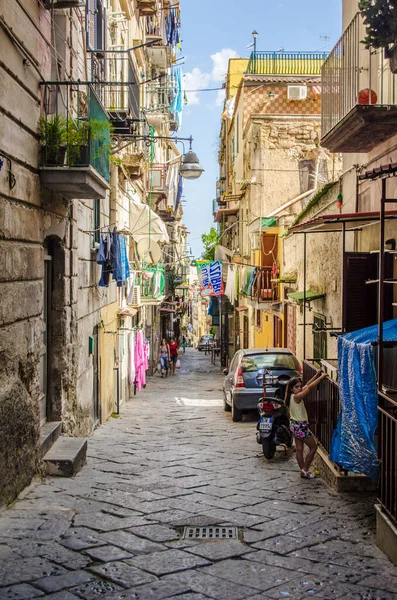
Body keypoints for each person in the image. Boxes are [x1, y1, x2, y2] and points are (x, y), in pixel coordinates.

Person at [285, 369, 327, 479]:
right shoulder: (297, 397)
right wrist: (321, 377)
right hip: (300, 426)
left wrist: (316, 374)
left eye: (300, 386)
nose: (299, 388)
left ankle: (303, 471)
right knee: (313, 447)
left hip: (294, 425)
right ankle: (305, 469)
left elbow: (307, 384)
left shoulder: (292, 396)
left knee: (299, 449)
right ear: (291, 389)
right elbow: (309, 388)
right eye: (296, 387)